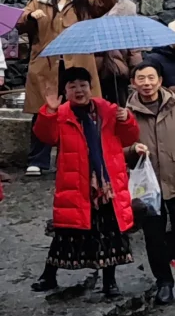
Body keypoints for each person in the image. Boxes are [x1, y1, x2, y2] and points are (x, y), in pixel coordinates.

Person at [29, 65, 139, 297]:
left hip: (107, 183)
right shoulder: (61, 114)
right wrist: (48, 111)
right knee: (66, 233)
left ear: (91, 87)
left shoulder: (108, 110)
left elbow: (129, 137)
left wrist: (126, 119)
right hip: (75, 183)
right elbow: (46, 136)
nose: (79, 90)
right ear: (65, 91)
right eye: (72, 86)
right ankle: (49, 276)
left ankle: (110, 282)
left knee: (110, 233)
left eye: (83, 85)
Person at [17, 0, 116, 174]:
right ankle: (38, 160)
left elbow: (104, 4)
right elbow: (21, 23)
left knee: (79, 109)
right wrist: (30, 17)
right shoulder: (39, 1)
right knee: (44, 111)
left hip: (77, 63)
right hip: (47, 64)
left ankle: (79, 156)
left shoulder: (83, 3)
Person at [127, 63, 175, 305]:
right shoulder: (127, 113)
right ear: (133, 83)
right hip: (147, 183)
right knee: (154, 234)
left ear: (160, 80)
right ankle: (164, 281)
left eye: (151, 78)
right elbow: (116, 145)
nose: (147, 83)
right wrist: (132, 149)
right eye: (141, 78)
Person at [96, 0, 143, 105]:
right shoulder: (90, 7)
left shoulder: (126, 9)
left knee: (119, 106)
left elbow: (133, 43)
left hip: (118, 67)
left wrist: (136, 69)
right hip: (95, 67)